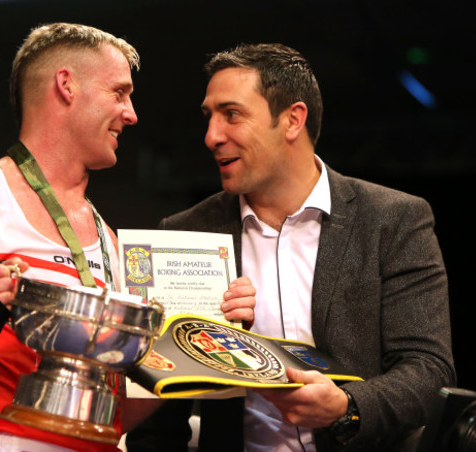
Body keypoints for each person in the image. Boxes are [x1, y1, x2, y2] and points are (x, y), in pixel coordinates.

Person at [0, 23, 256, 452]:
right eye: (119, 93)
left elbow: (116, 416)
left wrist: (204, 342)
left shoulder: (111, 242)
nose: (132, 113)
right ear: (66, 85)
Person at [125, 43, 455, 452]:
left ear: (292, 120)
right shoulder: (186, 233)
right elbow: (159, 409)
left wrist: (347, 408)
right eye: (208, 117)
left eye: (232, 114)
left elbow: (428, 371)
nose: (211, 136)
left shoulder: (392, 219)